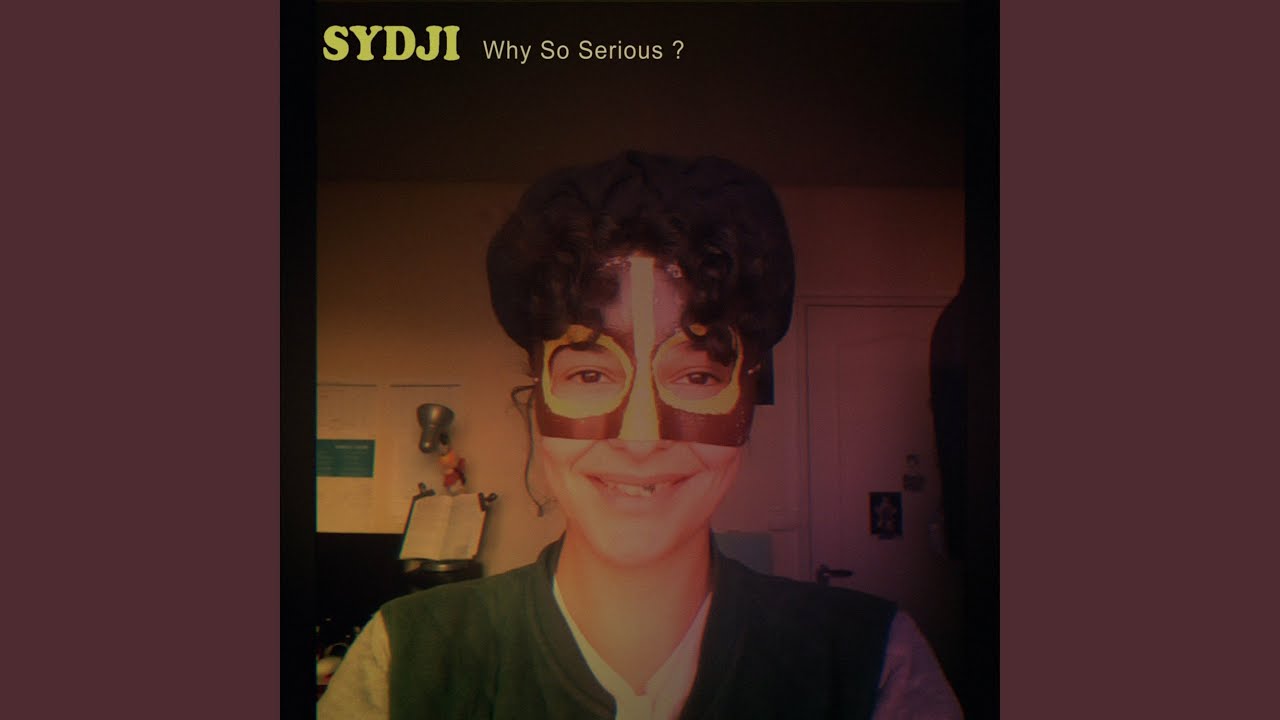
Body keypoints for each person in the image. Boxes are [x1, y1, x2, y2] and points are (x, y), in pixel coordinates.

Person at [319, 151, 962, 719]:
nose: (640, 437)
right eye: (590, 373)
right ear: (534, 401)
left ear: (748, 403)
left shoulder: (873, 664)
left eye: (697, 376)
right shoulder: (404, 659)